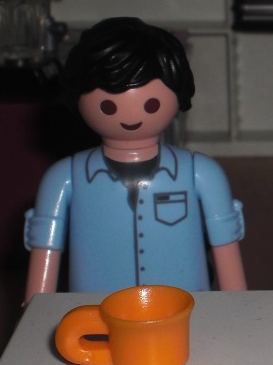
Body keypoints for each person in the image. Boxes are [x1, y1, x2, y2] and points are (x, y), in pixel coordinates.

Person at [24, 17, 246, 302]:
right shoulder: (65, 179)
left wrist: (238, 309)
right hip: (95, 312)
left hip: (183, 310)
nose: (130, 116)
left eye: (151, 104)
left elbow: (226, 248)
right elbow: (45, 254)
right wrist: (35, 314)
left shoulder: (200, 173)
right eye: (108, 106)